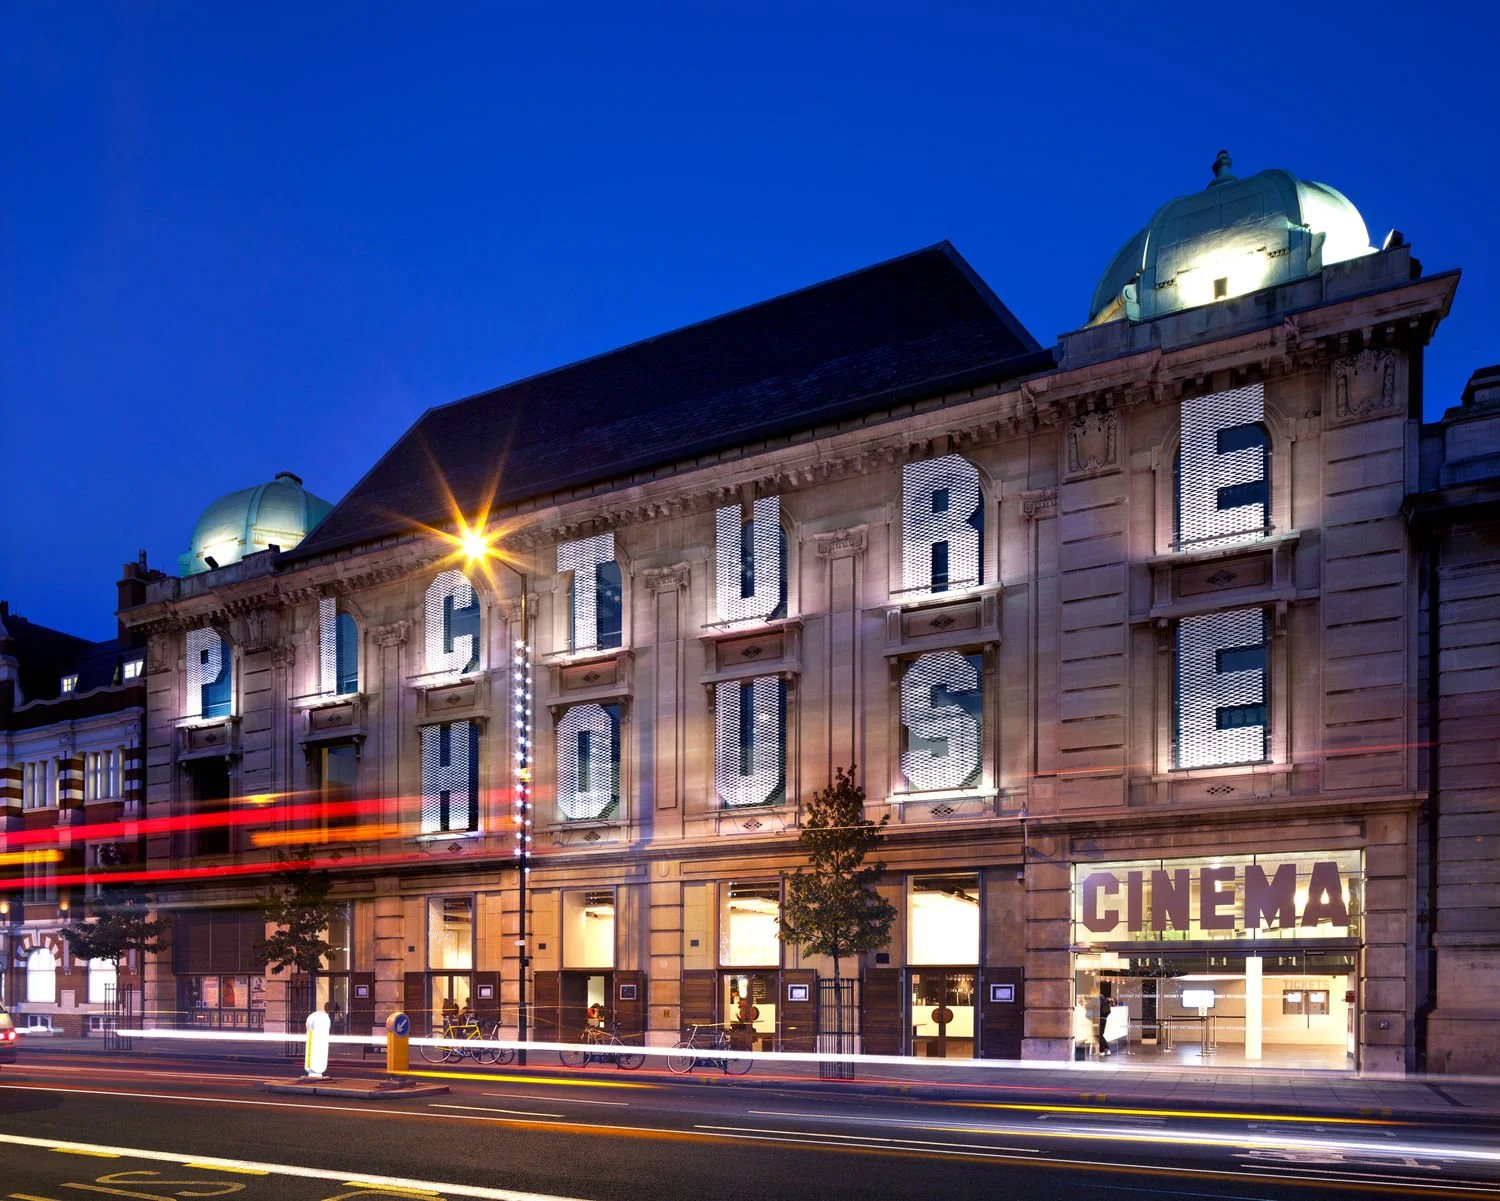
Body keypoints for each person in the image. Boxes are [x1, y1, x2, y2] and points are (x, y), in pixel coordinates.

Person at [1097, 983, 1113, 1056]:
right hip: (1104, 1019)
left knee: (1100, 1035)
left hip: (1099, 1019)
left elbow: (1097, 1008)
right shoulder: (1104, 998)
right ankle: (1105, 1049)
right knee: (1100, 1035)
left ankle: (1103, 1050)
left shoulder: (1099, 998)